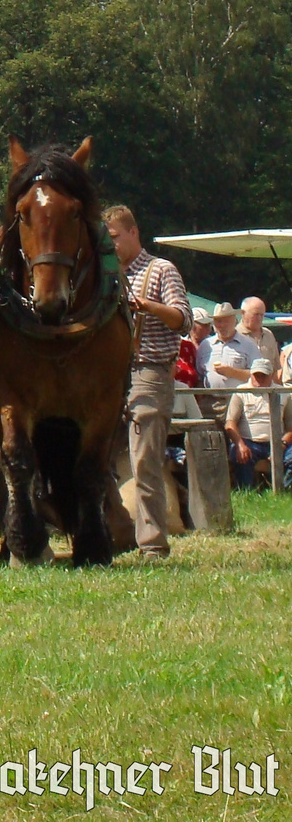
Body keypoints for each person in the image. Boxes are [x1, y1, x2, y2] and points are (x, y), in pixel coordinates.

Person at [105, 204, 192, 559]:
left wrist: (148, 307)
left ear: (133, 232)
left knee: (144, 459)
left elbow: (183, 321)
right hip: (112, 375)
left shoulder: (161, 270)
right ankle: (116, 531)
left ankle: (153, 544)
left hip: (151, 370)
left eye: (114, 238)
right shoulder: (106, 276)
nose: (110, 246)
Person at [225, 358, 292, 489]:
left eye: (264, 375)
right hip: (249, 441)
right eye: (257, 375)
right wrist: (240, 445)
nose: (259, 379)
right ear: (251, 374)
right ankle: (246, 491)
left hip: (278, 442)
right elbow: (230, 423)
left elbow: (291, 426)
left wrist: (282, 444)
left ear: (271, 375)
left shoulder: (284, 393)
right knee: (240, 454)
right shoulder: (241, 392)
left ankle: (285, 490)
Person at [198, 302, 259, 404]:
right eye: (218, 321)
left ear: (235, 321)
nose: (222, 325)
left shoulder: (248, 345)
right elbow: (199, 374)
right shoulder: (206, 345)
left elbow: (257, 375)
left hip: (239, 401)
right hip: (210, 401)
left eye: (226, 321)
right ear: (213, 323)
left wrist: (232, 372)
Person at [238, 297, 280, 370]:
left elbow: (277, 367)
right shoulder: (235, 335)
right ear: (243, 313)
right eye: (256, 314)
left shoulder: (268, 335)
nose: (260, 318)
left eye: (262, 315)